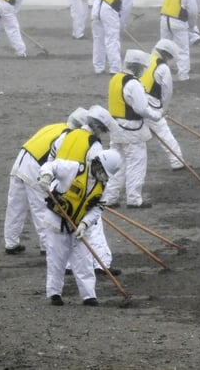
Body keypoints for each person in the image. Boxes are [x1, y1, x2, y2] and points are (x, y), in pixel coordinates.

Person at [37, 149, 122, 306]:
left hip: (79, 226)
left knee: (84, 260)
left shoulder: (103, 188)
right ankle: (55, 293)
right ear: (97, 164)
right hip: (57, 222)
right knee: (57, 259)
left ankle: (89, 296)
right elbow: (52, 165)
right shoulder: (74, 169)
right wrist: (46, 176)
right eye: (103, 172)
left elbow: (97, 209)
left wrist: (84, 224)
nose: (103, 177)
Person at [3, 107, 89, 256]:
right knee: (41, 209)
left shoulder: (54, 126)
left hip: (20, 161)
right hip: (35, 168)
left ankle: (11, 243)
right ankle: (46, 246)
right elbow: (59, 164)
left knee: (15, 206)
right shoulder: (68, 137)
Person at [53, 104, 120, 277]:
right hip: (81, 189)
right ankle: (102, 264)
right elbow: (97, 170)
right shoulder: (94, 144)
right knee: (93, 225)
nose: (102, 133)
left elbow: (54, 153)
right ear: (98, 127)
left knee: (66, 226)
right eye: (103, 130)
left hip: (60, 185)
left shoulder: (68, 134)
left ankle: (68, 265)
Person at [104, 50, 163, 208]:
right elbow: (141, 108)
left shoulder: (115, 78)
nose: (143, 70)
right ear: (137, 66)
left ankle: (110, 197)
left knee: (117, 164)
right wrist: (157, 116)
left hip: (115, 128)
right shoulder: (133, 84)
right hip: (132, 130)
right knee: (136, 163)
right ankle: (134, 199)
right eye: (142, 67)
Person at [140, 39, 184, 170]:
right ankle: (178, 162)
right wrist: (163, 110)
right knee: (163, 132)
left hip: (135, 100)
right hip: (151, 104)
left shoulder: (144, 60)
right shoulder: (163, 68)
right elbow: (167, 91)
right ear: (166, 55)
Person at [92, 0, 145, 75]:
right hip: (108, 11)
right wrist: (122, 25)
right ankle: (115, 69)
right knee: (112, 40)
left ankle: (98, 68)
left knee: (98, 40)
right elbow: (125, 11)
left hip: (96, 7)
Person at [159, 0, 200, 82]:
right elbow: (193, 13)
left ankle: (159, 75)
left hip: (164, 20)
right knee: (182, 50)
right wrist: (192, 27)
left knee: (163, 49)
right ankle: (183, 76)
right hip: (178, 22)